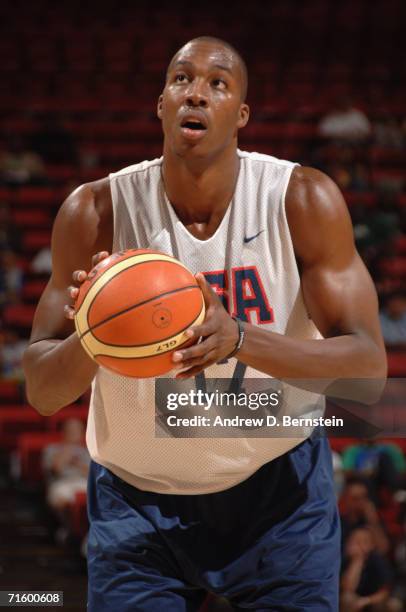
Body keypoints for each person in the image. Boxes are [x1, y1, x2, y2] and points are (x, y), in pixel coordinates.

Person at [23, 37, 386, 611]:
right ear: (161, 104)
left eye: (218, 83)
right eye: (181, 79)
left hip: (278, 495)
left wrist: (240, 338)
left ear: (241, 114)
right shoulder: (96, 213)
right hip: (137, 504)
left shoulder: (301, 200)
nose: (196, 92)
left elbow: (367, 372)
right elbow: (42, 392)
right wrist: (99, 331)